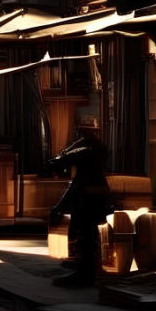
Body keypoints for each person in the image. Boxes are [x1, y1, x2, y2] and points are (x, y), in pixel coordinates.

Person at [48, 121, 112, 287]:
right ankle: (85, 268)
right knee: (88, 235)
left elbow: (62, 162)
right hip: (95, 197)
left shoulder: (86, 151)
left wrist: (59, 207)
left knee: (85, 235)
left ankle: (85, 273)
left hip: (88, 199)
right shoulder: (97, 149)